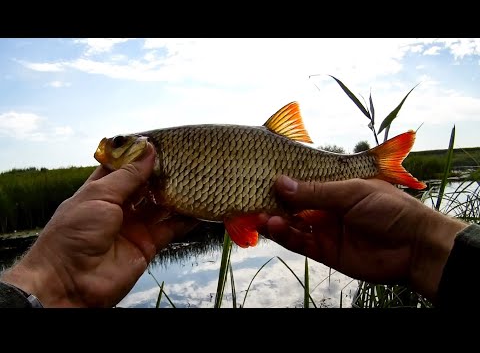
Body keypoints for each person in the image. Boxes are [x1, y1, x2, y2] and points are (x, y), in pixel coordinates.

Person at [0, 142, 477, 307]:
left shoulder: (160, 158)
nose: (109, 149)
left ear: (143, 154)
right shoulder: (153, 183)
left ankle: (375, 163)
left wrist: (49, 285)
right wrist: (428, 247)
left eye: (121, 145)